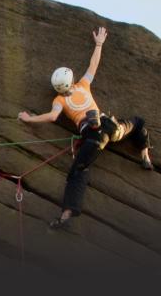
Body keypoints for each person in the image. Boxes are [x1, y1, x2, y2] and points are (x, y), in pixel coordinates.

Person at [18, 27, 153, 229]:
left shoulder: (58, 100)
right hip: (111, 130)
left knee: (78, 172)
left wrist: (29, 119)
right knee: (138, 123)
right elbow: (93, 65)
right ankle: (145, 155)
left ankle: (66, 215)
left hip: (93, 139)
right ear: (70, 80)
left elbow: (53, 116)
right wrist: (99, 44)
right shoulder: (82, 85)